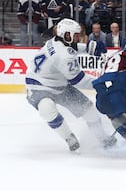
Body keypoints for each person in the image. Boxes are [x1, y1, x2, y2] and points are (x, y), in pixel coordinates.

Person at [25, 18, 116, 152]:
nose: (79, 38)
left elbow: (71, 48)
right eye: (76, 35)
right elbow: (78, 80)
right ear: (66, 35)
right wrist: (101, 82)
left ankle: (102, 137)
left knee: (89, 110)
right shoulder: (63, 56)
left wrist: (90, 47)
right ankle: (69, 138)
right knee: (47, 108)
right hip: (38, 85)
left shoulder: (57, 41)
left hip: (59, 85)